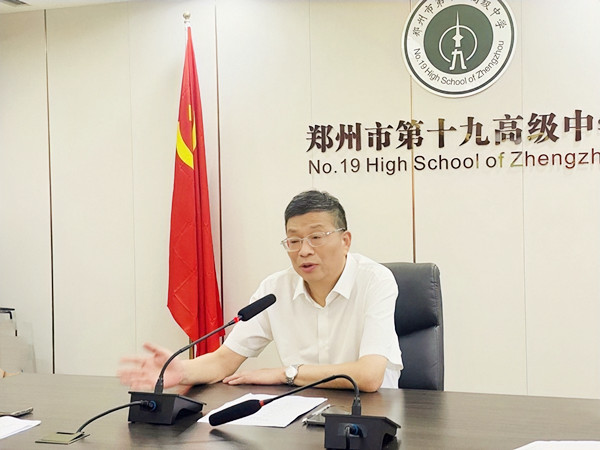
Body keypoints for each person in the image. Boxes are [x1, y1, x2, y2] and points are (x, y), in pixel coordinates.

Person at [119, 190, 402, 392]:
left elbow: (368, 376)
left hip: (373, 415)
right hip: (304, 414)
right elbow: (224, 360)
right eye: (294, 240)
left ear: (345, 240)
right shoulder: (274, 290)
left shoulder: (375, 281)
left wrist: (286, 374)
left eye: (316, 237)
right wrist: (181, 370)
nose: (304, 250)